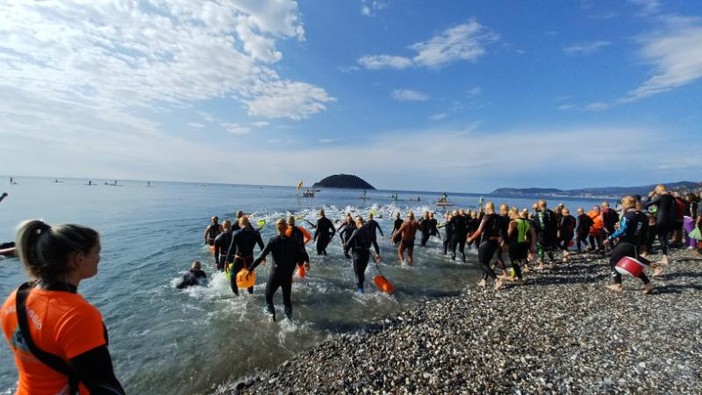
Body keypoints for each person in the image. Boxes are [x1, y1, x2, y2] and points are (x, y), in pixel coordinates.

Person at [1, 220, 125, 394]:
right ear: (79, 259)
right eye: (97, 252)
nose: (99, 258)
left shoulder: (15, 299)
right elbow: (105, 387)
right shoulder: (76, 315)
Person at [248, 219, 309, 321]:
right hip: (287, 274)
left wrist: (250, 269)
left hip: (275, 274)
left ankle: (272, 317)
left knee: (268, 296)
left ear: (277, 228)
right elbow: (303, 252)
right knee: (287, 300)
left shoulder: (273, 240)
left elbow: (260, 256)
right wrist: (307, 262)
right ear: (286, 228)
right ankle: (289, 321)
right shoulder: (293, 242)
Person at [603, 196, 654, 294]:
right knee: (632, 264)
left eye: (622, 204)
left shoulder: (627, 216)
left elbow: (623, 230)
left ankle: (618, 285)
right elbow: (644, 231)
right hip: (636, 243)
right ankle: (648, 283)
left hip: (624, 243)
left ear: (625, 204)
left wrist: (609, 238)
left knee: (613, 261)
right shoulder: (643, 216)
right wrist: (643, 244)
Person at [467, 202, 503, 290]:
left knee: (482, 263)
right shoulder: (499, 218)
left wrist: (471, 239)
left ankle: (497, 280)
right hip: (495, 242)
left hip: (487, 241)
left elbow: (479, 231)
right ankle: (483, 281)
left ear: (487, 209)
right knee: (486, 262)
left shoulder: (486, 217)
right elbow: (502, 231)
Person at [226, 216, 265, 295]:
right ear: (248, 223)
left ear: (240, 224)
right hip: (249, 258)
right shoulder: (256, 233)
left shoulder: (236, 233)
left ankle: (236, 295)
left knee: (233, 276)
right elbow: (262, 246)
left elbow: (231, 247)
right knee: (249, 276)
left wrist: (226, 261)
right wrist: (263, 257)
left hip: (238, 259)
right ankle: (250, 294)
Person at [344, 216, 380, 294]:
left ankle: (361, 293)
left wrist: (345, 245)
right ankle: (362, 287)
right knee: (361, 272)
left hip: (357, 255)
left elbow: (347, 244)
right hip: (366, 254)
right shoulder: (369, 231)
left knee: (358, 275)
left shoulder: (356, 231)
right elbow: (375, 243)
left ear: (357, 223)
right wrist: (377, 254)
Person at [644, 184, 676, 271]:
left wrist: (649, 197)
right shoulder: (672, 197)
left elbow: (646, 205)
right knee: (663, 238)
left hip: (660, 219)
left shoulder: (661, 197)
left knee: (651, 236)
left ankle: (645, 253)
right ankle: (665, 258)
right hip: (669, 220)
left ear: (658, 190)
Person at [506, 208, 537, 283]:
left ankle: (520, 279)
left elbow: (507, 235)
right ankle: (515, 275)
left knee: (514, 261)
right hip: (523, 244)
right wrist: (532, 246)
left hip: (514, 244)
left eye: (509, 215)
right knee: (517, 260)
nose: (509, 217)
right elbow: (533, 235)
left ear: (512, 214)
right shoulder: (527, 221)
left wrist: (503, 244)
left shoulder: (513, 222)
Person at [534, 200, 558, 270]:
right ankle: (553, 262)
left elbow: (539, 226)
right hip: (551, 234)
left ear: (539, 205)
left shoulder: (539, 214)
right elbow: (555, 224)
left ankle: (541, 264)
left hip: (542, 234)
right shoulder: (551, 212)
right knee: (548, 248)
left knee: (540, 247)